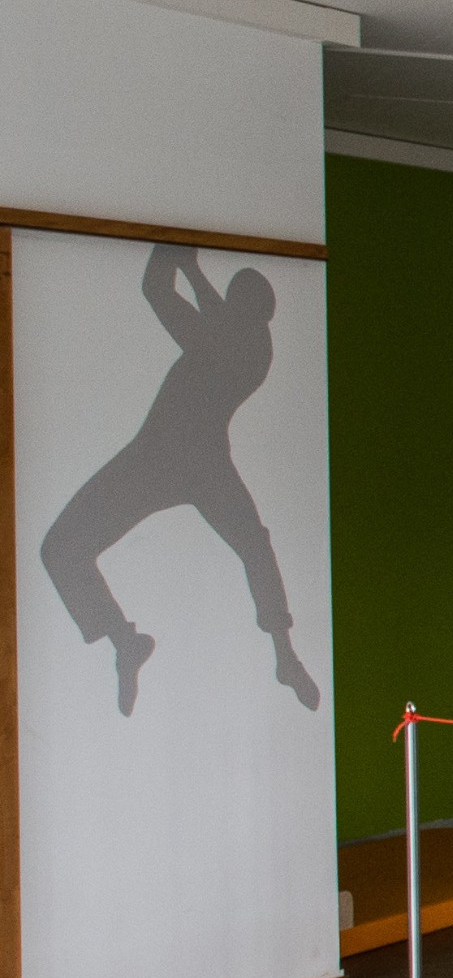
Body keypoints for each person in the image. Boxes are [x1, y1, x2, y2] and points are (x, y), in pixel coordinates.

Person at [41, 244, 318, 715]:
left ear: (248, 312)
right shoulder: (243, 341)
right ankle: (278, 654)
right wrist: (184, 261)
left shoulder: (238, 346)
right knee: (254, 544)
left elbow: (159, 291)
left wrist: (182, 259)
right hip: (192, 460)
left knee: (61, 547)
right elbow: (205, 310)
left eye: (235, 300)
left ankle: (130, 640)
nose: (225, 303)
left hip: (164, 457)